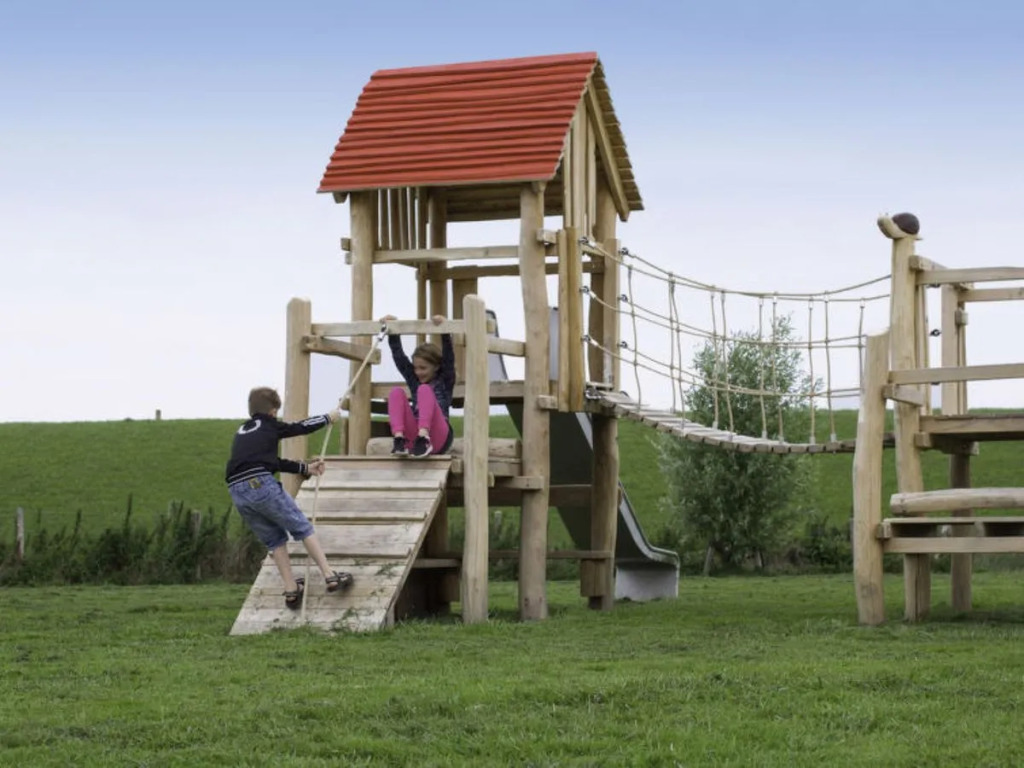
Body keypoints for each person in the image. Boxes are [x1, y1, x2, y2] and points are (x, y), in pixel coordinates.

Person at [225, 386, 353, 609]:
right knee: (301, 526)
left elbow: (272, 462)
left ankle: (291, 589)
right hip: (260, 484)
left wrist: (305, 468)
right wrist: (327, 418)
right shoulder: (269, 424)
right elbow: (300, 427)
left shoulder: (243, 431)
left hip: (237, 490)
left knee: (274, 539)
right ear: (273, 411)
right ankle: (329, 575)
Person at [380, 313, 455, 458]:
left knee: (424, 389)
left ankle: (424, 438)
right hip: (414, 441)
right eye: (415, 368)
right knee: (396, 392)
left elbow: (449, 357)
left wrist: (445, 330)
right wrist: (393, 330)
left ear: (436, 366)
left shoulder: (444, 379)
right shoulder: (415, 380)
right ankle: (399, 440)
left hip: (438, 438)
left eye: (423, 368)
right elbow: (399, 358)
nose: (418, 372)